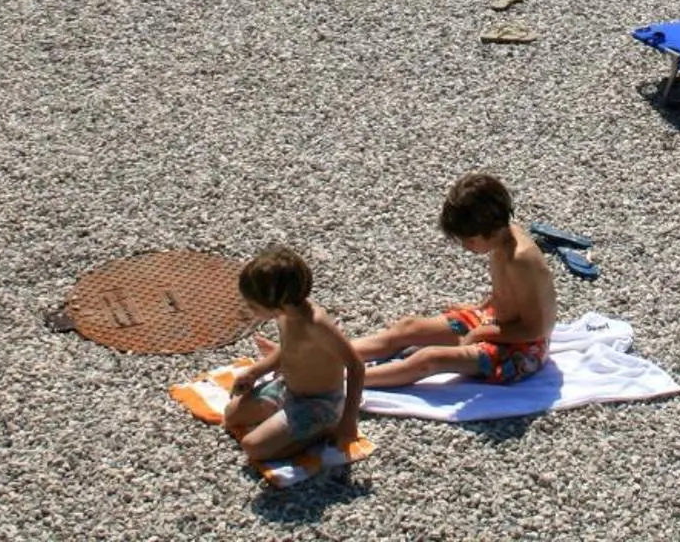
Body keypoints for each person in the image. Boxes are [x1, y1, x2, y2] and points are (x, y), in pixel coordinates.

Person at [350, 173, 555, 389]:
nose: (466, 246)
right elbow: (508, 292)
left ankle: (343, 382)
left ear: (491, 229)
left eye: (470, 240)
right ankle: (330, 356)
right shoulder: (503, 237)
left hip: (524, 348)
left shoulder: (521, 260)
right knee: (408, 327)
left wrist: (478, 333)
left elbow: (536, 329)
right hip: (495, 321)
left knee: (430, 359)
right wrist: (480, 308)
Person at [223, 246, 364, 466]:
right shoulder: (284, 315)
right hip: (288, 388)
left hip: (318, 403)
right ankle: (286, 422)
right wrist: (255, 371)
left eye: (253, 305)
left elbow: (356, 367)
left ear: (277, 301)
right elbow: (287, 349)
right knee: (231, 415)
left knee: (253, 447)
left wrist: (348, 420)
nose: (249, 310)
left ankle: (325, 427)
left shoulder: (317, 325)